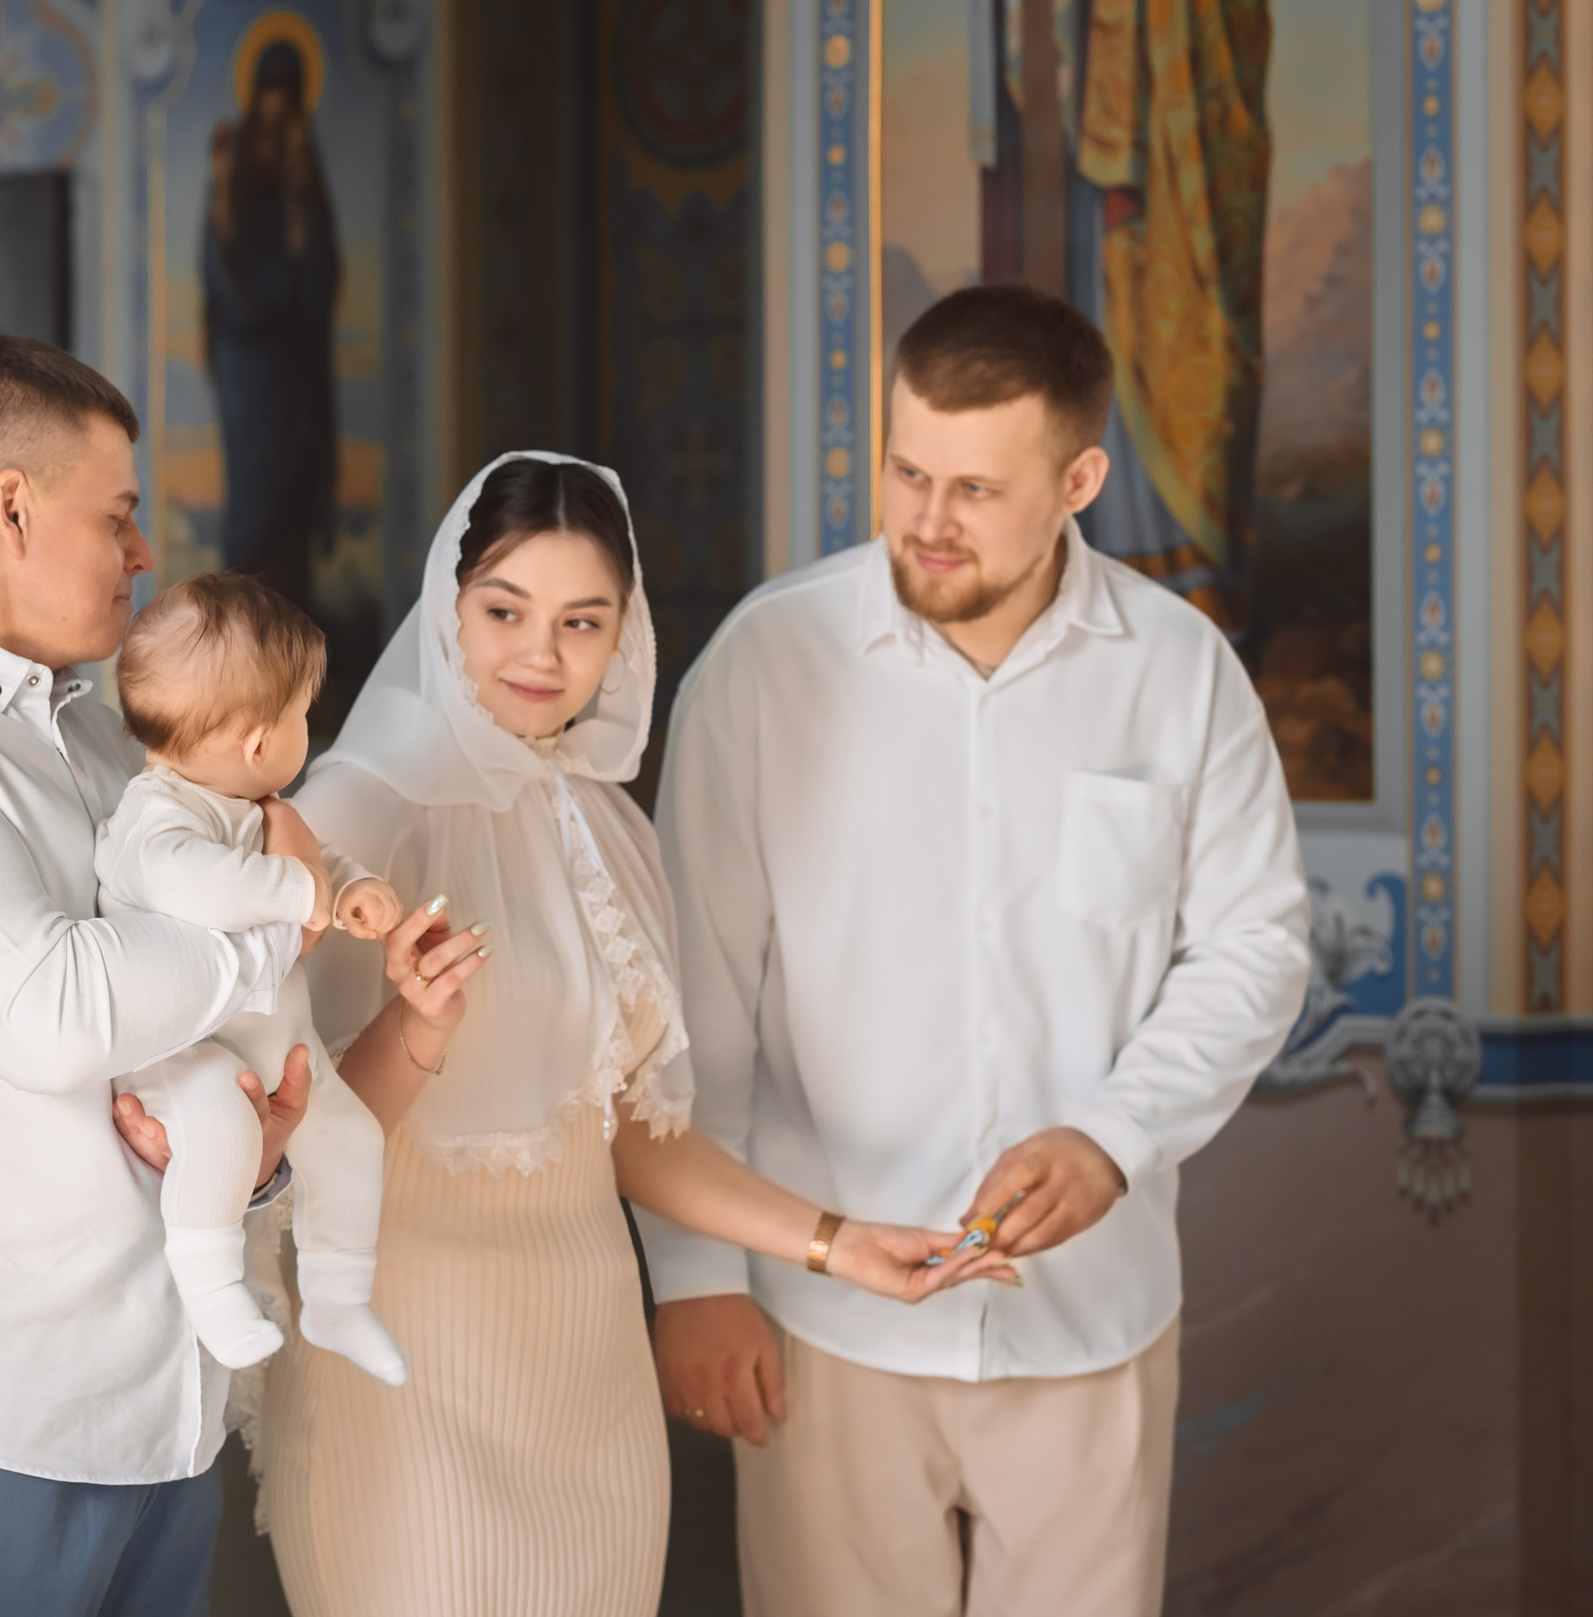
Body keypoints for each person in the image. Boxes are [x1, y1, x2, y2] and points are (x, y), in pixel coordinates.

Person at [116, 452, 1014, 1617]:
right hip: (406, 1370)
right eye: (504, 611)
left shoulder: (608, 822)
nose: (541, 654)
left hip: (588, 1367)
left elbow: (629, 1134)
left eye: (581, 621)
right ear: (448, 608)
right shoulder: (342, 815)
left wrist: (837, 1243)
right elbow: (291, 1132)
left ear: (622, 633)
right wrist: (419, 1023)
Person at [0, 334, 470, 1617]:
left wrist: (265, 1139)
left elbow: (161, 1031)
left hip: (156, 1406)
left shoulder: (99, 736)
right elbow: (60, 1011)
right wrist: (284, 920)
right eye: (117, 515)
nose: (141, 553)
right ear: (10, 503)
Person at [644, 284, 1311, 1616]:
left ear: (1079, 477)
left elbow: (1256, 946)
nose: (926, 522)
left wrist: (1114, 1133)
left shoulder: (1181, 672)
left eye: (973, 488)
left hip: (1092, 1319)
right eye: (905, 471)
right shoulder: (767, 664)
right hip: (821, 1317)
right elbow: (690, 998)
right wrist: (698, 1280)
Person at [104, 572, 408, 1382]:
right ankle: (209, 1284)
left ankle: (340, 1296)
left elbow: (309, 863)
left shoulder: (256, 805)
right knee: (224, 1132)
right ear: (259, 740)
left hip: (280, 1039)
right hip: (186, 1050)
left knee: (350, 1140)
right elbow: (196, 883)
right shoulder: (155, 817)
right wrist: (307, 889)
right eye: (302, 715)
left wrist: (349, 890)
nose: (307, 731)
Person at [202, 37, 339, 614]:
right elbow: (219, 265)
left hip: (292, 363)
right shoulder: (232, 174)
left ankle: (294, 633)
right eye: (271, 90)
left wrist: (299, 198)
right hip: (248, 366)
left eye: (289, 91)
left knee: (292, 499)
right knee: (254, 495)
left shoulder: (302, 171)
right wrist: (270, 293)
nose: (278, 105)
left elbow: (322, 271)